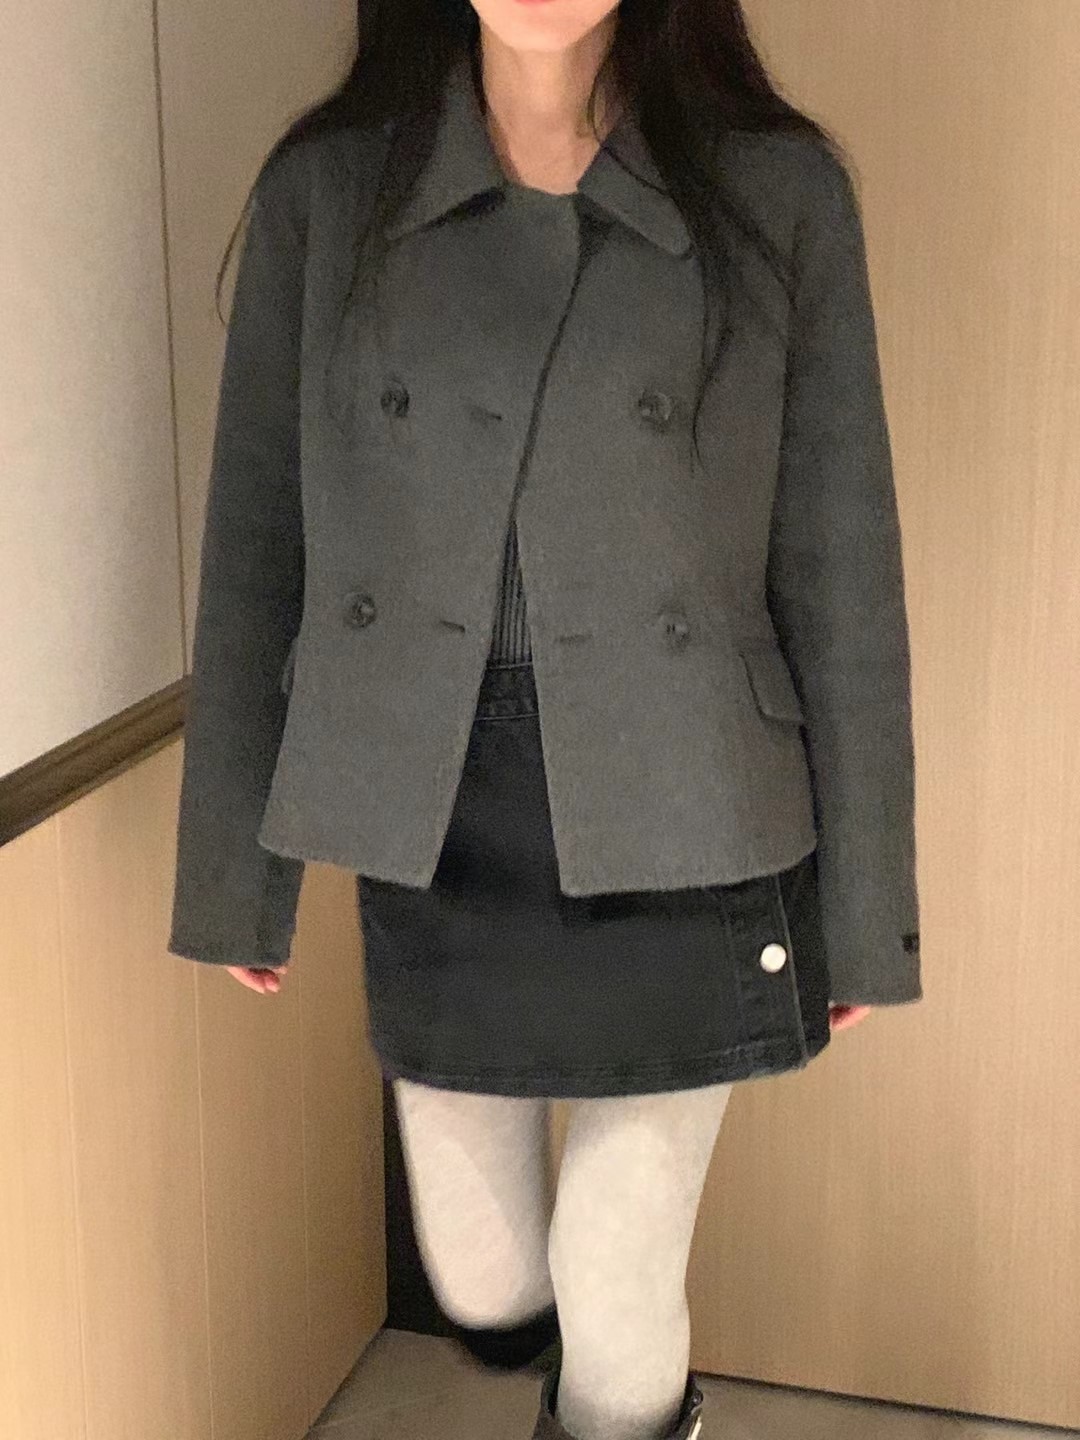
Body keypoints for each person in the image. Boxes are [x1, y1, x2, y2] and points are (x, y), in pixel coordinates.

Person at [167, 2, 923, 1437]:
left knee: (613, 1269)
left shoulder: (776, 190)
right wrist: (231, 880)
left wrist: (868, 904)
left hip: (691, 808)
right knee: (486, 1280)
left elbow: (842, 565)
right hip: (439, 814)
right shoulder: (331, 190)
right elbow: (259, 543)